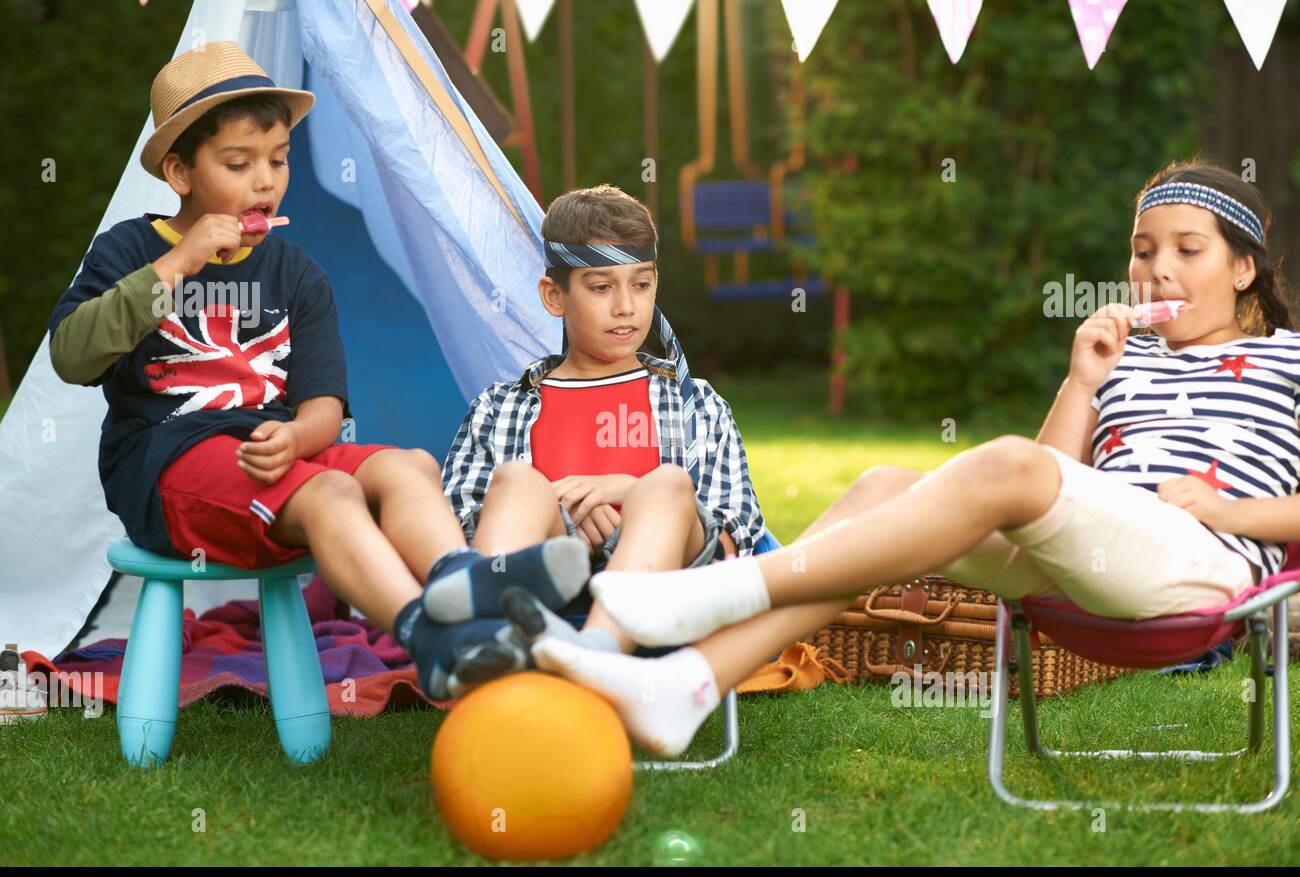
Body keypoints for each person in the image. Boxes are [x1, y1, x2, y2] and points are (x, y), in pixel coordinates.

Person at [526, 160, 1298, 756]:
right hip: (1102, 562)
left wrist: (1229, 511)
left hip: (1207, 566)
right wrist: (1082, 380)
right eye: (1141, 251)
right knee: (881, 486)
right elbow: (1057, 492)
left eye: (1186, 250)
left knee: (1002, 464)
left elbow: (1031, 481)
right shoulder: (1125, 359)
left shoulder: (1288, 359)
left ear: (1242, 269)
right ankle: (687, 686)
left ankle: (722, 590)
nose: (1155, 269)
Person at [48, 41, 589, 701]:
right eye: (238, 163)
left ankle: (460, 582)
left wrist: (300, 439)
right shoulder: (131, 251)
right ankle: (435, 639)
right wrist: (179, 262)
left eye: (278, 160)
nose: (265, 181)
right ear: (180, 172)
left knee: (409, 466)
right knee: (332, 496)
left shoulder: (296, 273)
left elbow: (324, 407)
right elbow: (73, 356)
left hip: (280, 461)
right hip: (169, 469)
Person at [437, 184, 767, 661]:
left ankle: (598, 652)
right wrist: (562, 504)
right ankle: (487, 647)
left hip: (669, 593)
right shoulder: (500, 408)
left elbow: (736, 536)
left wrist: (628, 491)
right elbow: (457, 529)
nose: (626, 307)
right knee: (515, 481)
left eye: (641, 284)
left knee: (669, 484)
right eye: (601, 287)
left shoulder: (694, 402)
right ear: (555, 296)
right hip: (541, 584)